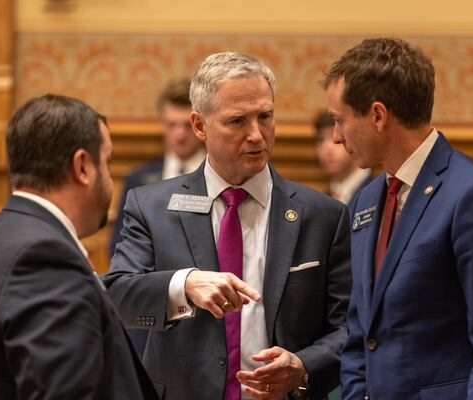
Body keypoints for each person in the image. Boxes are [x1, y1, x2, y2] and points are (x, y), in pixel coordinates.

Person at [103, 52, 351, 400]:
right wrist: (184, 284)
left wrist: (302, 365)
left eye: (265, 116)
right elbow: (117, 296)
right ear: (200, 125)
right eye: (237, 121)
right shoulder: (151, 206)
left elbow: (348, 326)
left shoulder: (323, 215)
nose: (256, 134)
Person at [324, 38, 473, 399]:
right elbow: (360, 331)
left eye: (340, 120)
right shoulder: (366, 200)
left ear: (377, 115)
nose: (337, 137)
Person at [0, 94, 159, 400]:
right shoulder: (42, 256)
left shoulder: (8, 230)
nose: (107, 175)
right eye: (107, 161)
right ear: (82, 167)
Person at [109, 78, 206, 257]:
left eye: (186, 125)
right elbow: (119, 246)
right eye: (172, 125)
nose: (180, 135)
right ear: (162, 123)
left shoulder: (221, 174)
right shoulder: (138, 179)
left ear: (200, 124)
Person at [314, 110, 371, 213]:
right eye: (320, 139)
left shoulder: (379, 191)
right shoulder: (321, 200)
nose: (327, 148)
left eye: (334, 138)